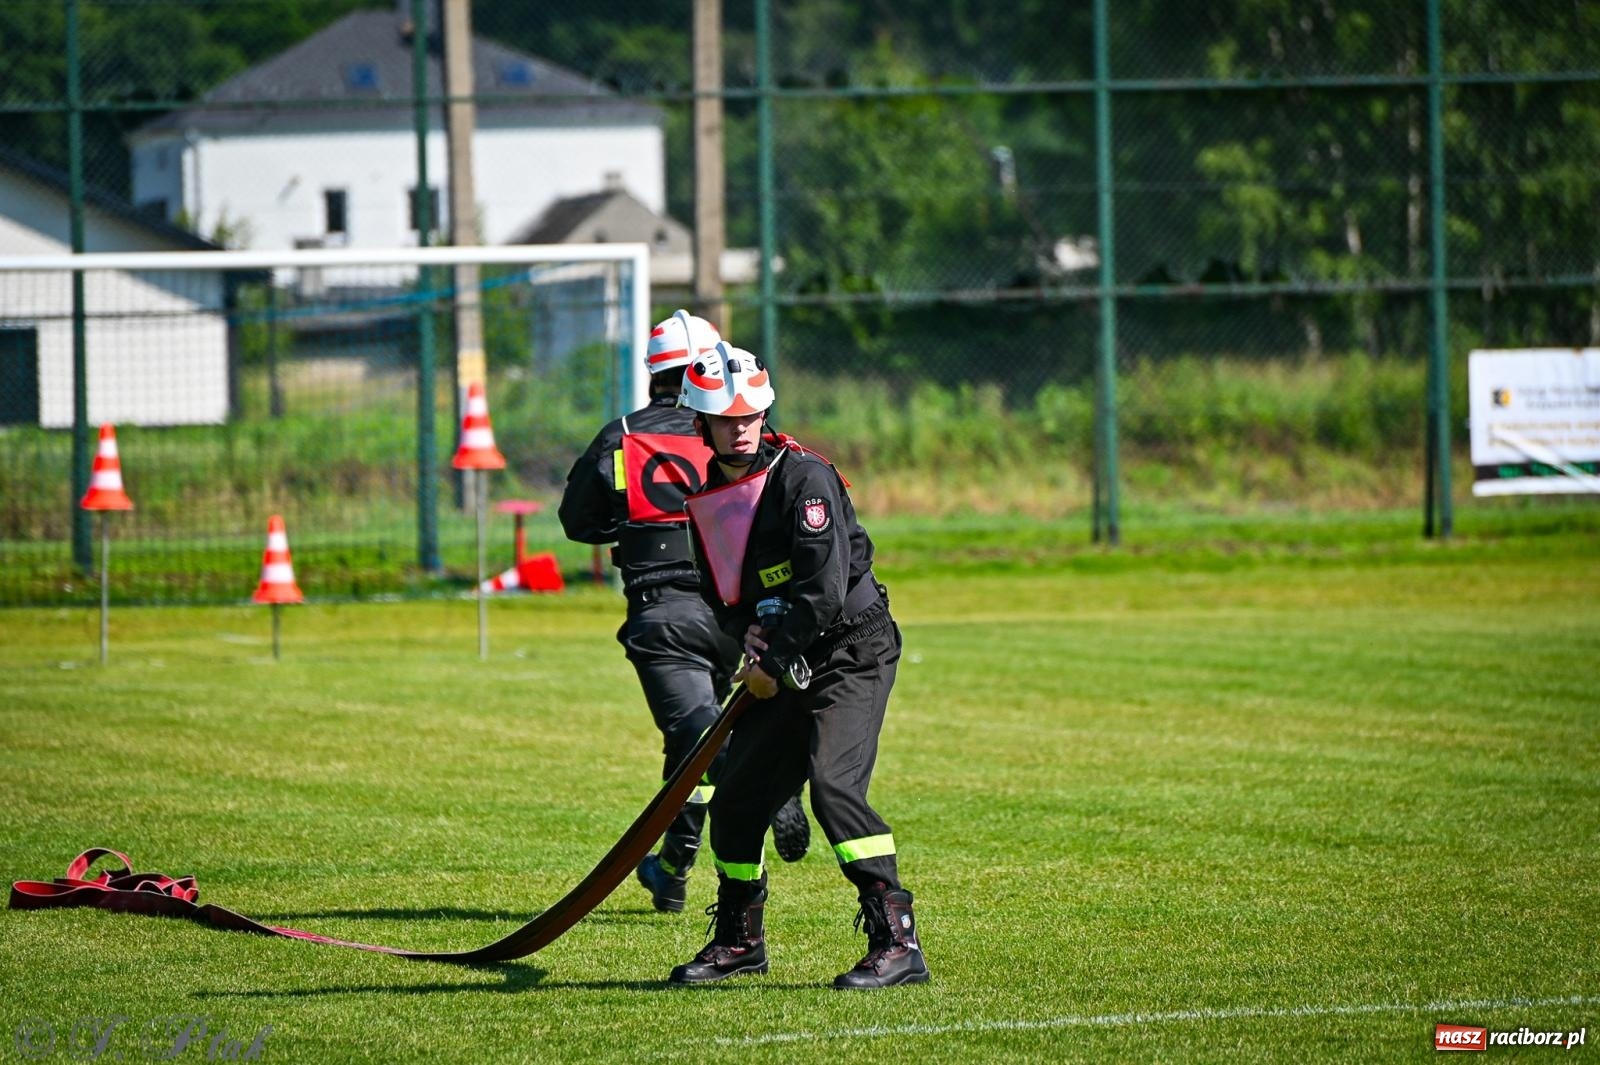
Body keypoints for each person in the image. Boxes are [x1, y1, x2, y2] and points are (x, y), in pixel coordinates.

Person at [669, 340, 930, 989]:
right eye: (726, 418)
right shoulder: (709, 503)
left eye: (751, 412)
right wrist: (750, 642)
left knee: (833, 787)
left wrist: (772, 659)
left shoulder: (803, 478)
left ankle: (898, 944)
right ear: (701, 424)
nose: (741, 425)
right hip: (788, 657)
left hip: (851, 647)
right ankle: (739, 942)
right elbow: (722, 597)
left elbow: (823, 590)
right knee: (736, 801)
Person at [558, 311, 810, 915]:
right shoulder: (738, 433)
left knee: (697, 733)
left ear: (654, 373)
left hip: (663, 609)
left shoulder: (621, 435)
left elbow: (577, 522)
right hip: (735, 611)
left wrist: (632, 522)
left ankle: (773, 791)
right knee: (689, 744)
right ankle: (670, 869)